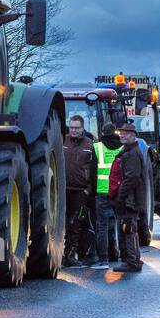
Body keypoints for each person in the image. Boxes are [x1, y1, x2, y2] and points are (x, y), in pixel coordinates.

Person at [110, 121, 147, 272]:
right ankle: (134, 259)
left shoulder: (131, 154)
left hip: (130, 200)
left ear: (133, 136)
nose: (123, 135)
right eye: (122, 133)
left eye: (127, 134)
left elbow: (131, 178)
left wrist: (120, 196)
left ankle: (130, 261)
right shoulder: (129, 151)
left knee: (127, 229)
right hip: (131, 198)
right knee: (130, 228)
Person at [63, 114, 98, 267]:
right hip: (63, 189)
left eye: (77, 128)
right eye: (71, 127)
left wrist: (89, 190)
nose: (74, 130)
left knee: (76, 224)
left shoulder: (90, 145)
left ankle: (71, 255)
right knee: (63, 223)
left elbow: (95, 169)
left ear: (82, 128)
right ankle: (61, 253)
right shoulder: (62, 141)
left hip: (80, 191)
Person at [92, 122, 123, 269]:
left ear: (102, 133)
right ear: (115, 132)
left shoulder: (97, 147)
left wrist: (92, 190)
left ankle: (104, 259)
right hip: (119, 192)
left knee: (102, 226)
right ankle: (123, 255)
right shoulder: (123, 148)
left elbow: (92, 172)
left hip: (102, 191)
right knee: (120, 224)